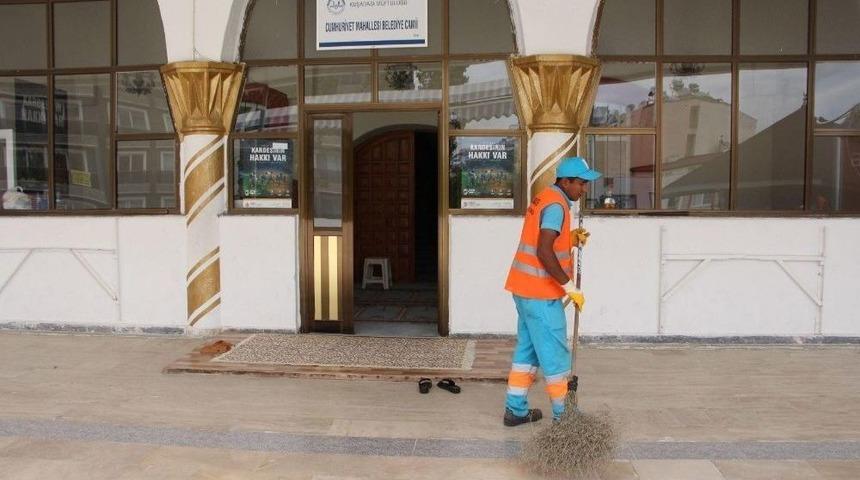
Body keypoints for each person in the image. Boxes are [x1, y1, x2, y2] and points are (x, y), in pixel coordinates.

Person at [502, 156, 602, 426]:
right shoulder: (557, 206)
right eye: (581, 183)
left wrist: (569, 239)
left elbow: (545, 240)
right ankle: (565, 416)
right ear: (566, 182)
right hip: (541, 294)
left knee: (527, 352)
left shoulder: (545, 197)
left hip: (523, 289)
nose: (584, 189)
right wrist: (569, 287)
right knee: (556, 356)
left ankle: (515, 410)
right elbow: (544, 250)